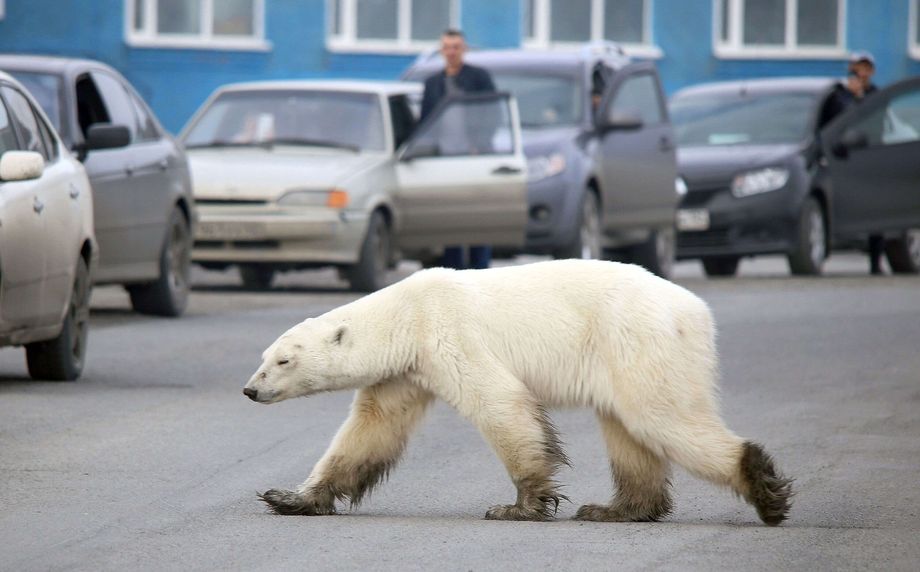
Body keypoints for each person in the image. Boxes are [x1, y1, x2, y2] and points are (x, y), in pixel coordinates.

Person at [421, 28, 496, 270]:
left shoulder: (479, 78)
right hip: (444, 161)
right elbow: (426, 122)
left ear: (463, 49)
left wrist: (479, 145)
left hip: (475, 160)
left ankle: (481, 271)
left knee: (479, 218)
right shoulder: (433, 83)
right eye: (447, 47)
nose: (451, 52)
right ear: (441, 50)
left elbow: (492, 113)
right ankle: (452, 273)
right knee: (450, 220)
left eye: (456, 47)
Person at [818, 51, 885, 275]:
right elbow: (835, 125)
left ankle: (875, 262)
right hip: (844, 161)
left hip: (870, 160)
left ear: (872, 71)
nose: (861, 73)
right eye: (857, 68)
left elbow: (876, 123)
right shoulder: (838, 96)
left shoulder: (876, 95)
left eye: (865, 68)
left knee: (876, 213)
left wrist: (861, 99)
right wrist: (853, 98)